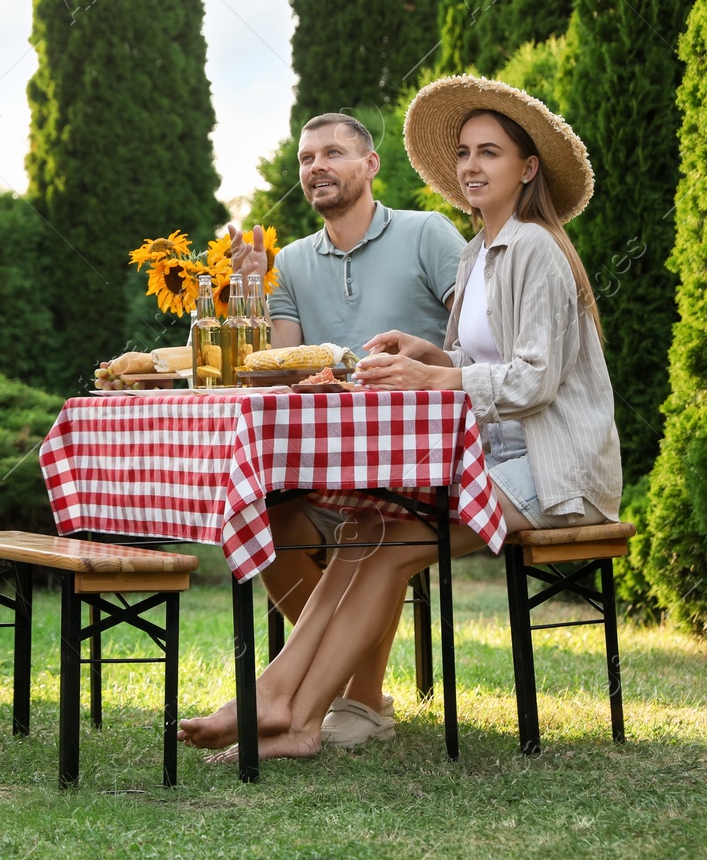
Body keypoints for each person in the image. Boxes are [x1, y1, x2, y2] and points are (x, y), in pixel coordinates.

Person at [180, 75, 621, 762]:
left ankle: (285, 704)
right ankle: (288, 708)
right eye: (466, 154)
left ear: (527, 167)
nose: (472, 166)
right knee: (368, 526)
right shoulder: (478, 253)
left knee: (381, 537)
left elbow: (534, 380)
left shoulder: (534, 245)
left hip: (553, 470)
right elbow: (478, 357)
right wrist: (428, 350)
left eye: (491, 153)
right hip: (497, 462)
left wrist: (435, 375)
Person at [228, 111, 465, 747]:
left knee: (375, 522)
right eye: (307, 159)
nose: (317, 168)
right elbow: (273, 371)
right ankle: (348, 690)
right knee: (269, 520)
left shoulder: (427, 234)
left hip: (416, 469)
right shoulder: (291, 263)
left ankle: (354, 700)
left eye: (333, 154)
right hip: (322, 472)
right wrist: (247, 298)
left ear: (370, 165)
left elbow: (477, 336)